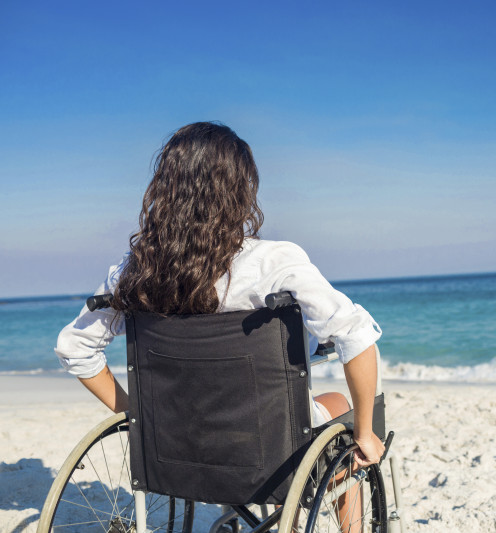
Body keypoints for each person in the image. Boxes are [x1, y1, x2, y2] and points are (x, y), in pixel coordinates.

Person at [54, 121, 385, 469]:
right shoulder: (272, 262)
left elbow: (74, 346)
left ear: (165, 189)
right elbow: (355, 335)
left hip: (176, 446)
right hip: (269, 452)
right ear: (239, 190)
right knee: (340, 410)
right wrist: (364, 432)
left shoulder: (136, 271)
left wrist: (134, 415)